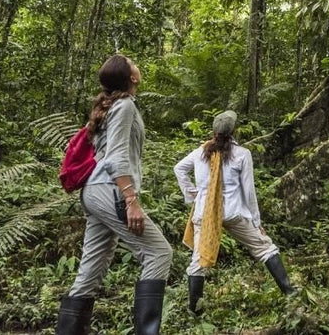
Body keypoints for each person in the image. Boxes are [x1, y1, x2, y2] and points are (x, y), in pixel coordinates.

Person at [56, 55, 173, 335]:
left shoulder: (112, 107)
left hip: (95, 193)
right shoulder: (125, 106)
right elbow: (116, 157)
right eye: (133, 63)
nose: (137, 64)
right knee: (159, 253)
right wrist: (131, 199)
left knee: (90, 270)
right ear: (131, 78)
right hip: (110, 191)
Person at [173, 110, 296, 315]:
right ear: (234, 131)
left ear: (214, 131)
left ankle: (195, 310)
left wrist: (192, 193)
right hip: (234, 213)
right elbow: (249, 191)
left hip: (205, 213)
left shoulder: (201, 151)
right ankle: (290, 293)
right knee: (265, 248)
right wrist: (256, 220)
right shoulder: (242, 154)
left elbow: (178, 169)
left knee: (198, 261)